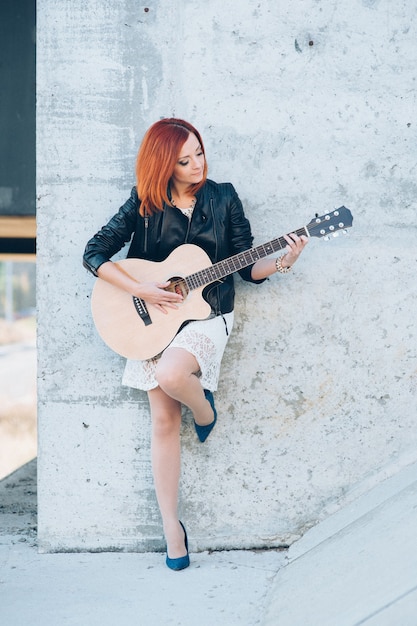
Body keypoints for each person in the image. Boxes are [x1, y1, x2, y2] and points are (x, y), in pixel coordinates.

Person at [83, 118, 308, 571]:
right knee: (164, 423)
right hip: (151, 320)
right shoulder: (144, 202)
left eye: (199, 154)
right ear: (164, 164)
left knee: (172, 375)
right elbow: (94, 253)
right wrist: (142, 289)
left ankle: (204, 409)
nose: (197, 165)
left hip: (208, 315)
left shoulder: (224, 197)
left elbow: (247, 269)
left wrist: (282, 261)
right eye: (184, 161)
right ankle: (172, 528)